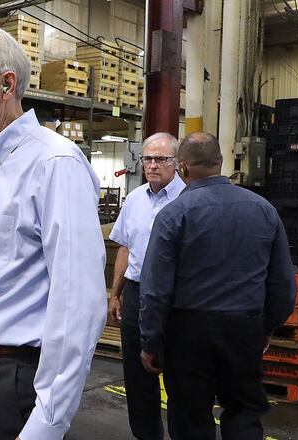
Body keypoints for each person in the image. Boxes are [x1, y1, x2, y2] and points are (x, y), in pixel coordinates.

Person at [0, 26, 107, 440]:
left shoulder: (53, 163)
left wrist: (46, 425)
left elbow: (77, 305)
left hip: (9, 382)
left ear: (6, 85)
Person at [139, 132, 296, 440]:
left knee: (190, 416)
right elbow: (282, 283)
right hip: (244, 329)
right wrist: (267, 328)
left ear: (182, 167)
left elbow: (155, 288)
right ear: (221, 163)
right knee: (244, 413)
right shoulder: (263, 209)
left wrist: (151, 342)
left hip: (188, 333)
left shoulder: (174, 215)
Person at [107, 132, 185, 440]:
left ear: (176, 162)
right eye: (148, 158)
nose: (152, 165)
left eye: (160, 159)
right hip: (138, 293)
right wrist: (116, 294)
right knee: (137, 376)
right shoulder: (136, 199)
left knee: (179, 372)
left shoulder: (188, 199)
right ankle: (146, 434)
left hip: (175, 299)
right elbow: (125, 249)